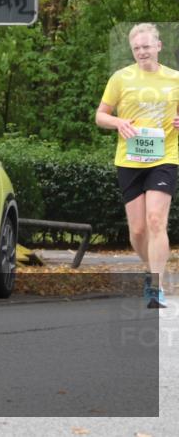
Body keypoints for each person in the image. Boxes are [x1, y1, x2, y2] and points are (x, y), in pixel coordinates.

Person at [96, 23, 179, 308]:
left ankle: (156, 286)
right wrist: (118, 122)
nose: (142, 52)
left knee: (156, 220)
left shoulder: (175, 79)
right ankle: (150, 270)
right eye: (137, 48)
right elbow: (100, 116)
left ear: (158, 46)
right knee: (138, 231)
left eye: (146, 46)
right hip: (130, 160)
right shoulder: (121, 78)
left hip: (164, 157)